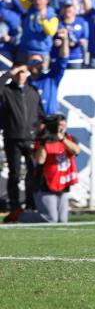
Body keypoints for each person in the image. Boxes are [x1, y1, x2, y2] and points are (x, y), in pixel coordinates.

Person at [5, 114, 79, 224]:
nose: (61, 128)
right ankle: (19, 215)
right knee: (50, 219)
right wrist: (44, 143)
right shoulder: (41, 140)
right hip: (44, 183)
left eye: (63, 124)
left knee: (63, 220)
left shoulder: (69, 138)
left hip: (62, 182)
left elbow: (76, 151)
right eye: (59, 125)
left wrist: (61, 138)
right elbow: (40, 160)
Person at [0, 65, 43, 222]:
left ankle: (32, 203)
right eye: (17, 72)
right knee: (15, 173)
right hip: (12, 137)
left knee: (33, 172)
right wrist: (8, 74)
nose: (20, 75)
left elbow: (40, 113)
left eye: (23, 72)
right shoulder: (7, 91)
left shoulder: (32, 91)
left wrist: (40, 129)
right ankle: (15, 205)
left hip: (30, 138)